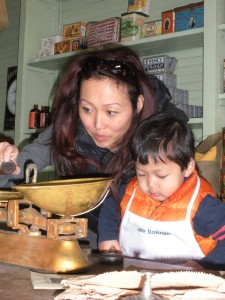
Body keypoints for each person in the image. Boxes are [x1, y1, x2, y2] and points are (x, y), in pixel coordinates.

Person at [0, 46, 187, 248]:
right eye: (87, 109)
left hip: (151, 238)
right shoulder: (68, 125)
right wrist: (6, 164)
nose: (97, 125)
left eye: (111, 112)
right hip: (87, 234)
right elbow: (26, 163)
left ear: (138, 105)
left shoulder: (166, 138)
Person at [98, 113, 225, 269]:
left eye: (161, 175)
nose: (151, 184)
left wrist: (205, 266)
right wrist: (107, 237)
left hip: (188, 287)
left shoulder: (204, 206)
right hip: (132, 280)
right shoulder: (128, 191)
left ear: (187, 167)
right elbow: (110, 206)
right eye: (141, 174)